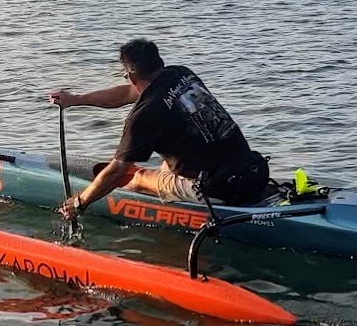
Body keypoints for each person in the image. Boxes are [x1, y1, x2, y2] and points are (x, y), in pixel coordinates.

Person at [49, 38, 269, 219]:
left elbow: (117, 171)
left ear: (132, 76)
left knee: (137, 178)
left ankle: (130, 204)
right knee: (165, 164)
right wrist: (76, 99)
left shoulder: (145, 115)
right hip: (248, 167)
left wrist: (79, 203)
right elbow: (125, 94)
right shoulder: (180, 73)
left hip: (216, 188)